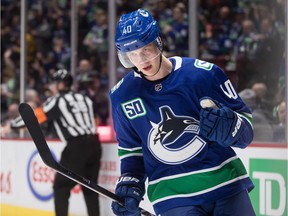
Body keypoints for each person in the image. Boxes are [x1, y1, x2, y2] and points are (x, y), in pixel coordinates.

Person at [110, 9, 255, 216]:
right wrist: (130, 184)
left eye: (145, 50)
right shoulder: (122, 95)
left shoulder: (203, 74)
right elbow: (131, 150)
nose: (141, 60)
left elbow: (246, 128)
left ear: (158, 42)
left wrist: (230, 126)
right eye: (132, 54)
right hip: (172, 196)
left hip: (225, 184)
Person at [7, 69, 102, 216]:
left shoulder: (57, 100)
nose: (51, 86)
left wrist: (11, 126)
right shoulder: (85, 99)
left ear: (62, 84)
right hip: (96, 144)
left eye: (54, 83)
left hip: (76, 146)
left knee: (61, 187)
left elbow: (33, 117)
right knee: (91, 189)